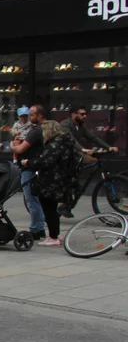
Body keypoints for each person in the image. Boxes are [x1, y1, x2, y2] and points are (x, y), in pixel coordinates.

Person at [57, 106, 119, 217]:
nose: (85, 116)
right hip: (64, 155)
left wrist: (109, 147)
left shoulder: (80, 126)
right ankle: (65, 198)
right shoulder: (65, 124)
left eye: (85, 114)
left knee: (92, 162)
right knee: (89, 161)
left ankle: (76, 180)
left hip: (75, 155)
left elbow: (93, 138)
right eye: (82, 114)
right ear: (73, 114)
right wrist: (82, 149)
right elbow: (70, 139)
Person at [26, 120, 78, 248]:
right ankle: (56, 234)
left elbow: (45, 162)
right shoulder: (66, 142)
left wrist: (28, 163)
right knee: (53, 209)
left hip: (51, 181)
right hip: (62, 179)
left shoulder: (55, 144)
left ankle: (53, 237)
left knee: (48, 208)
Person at [11, 105, 49, 242]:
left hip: (30, 168)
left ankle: (35, 229)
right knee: (36, 200)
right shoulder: (43, 128)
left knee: (31, 200)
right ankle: (39, 228)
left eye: (32, 115)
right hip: (36, 167)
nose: (29, 117)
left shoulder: (37, 130)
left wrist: (12, 146)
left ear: (39, 116)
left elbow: (21, 149)